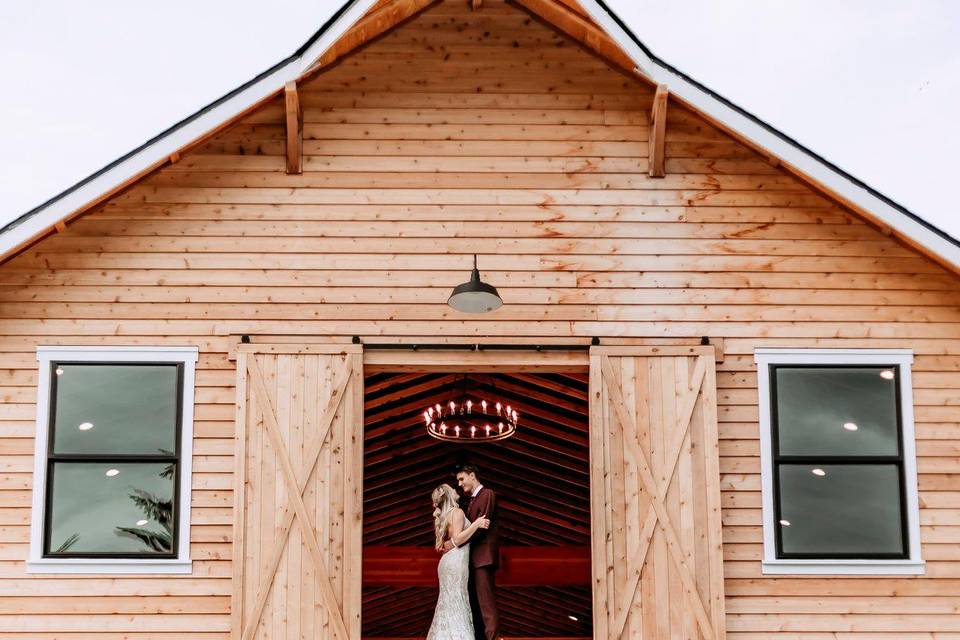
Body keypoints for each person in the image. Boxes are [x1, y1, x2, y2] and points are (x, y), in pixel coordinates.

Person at [425, 483, 490, 640]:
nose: (456, 490)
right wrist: (476, 524)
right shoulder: (457, 512)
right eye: (453, 489)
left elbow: (451, 541)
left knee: (448, 602)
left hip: (447, 563)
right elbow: (458, 538)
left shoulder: (445, 516)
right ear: (449, 495)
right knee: (456, 600)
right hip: (455, 562)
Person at [443, 465, 500, 640]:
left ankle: (492, 638)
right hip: (472, 560)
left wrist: (456, 542)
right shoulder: (470, 501)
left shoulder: (487, 494)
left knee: (486, 604)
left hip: (483, 558)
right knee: (474, 603)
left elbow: (482, 526)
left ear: (473, 475)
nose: (460, 484)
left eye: (462, 479)